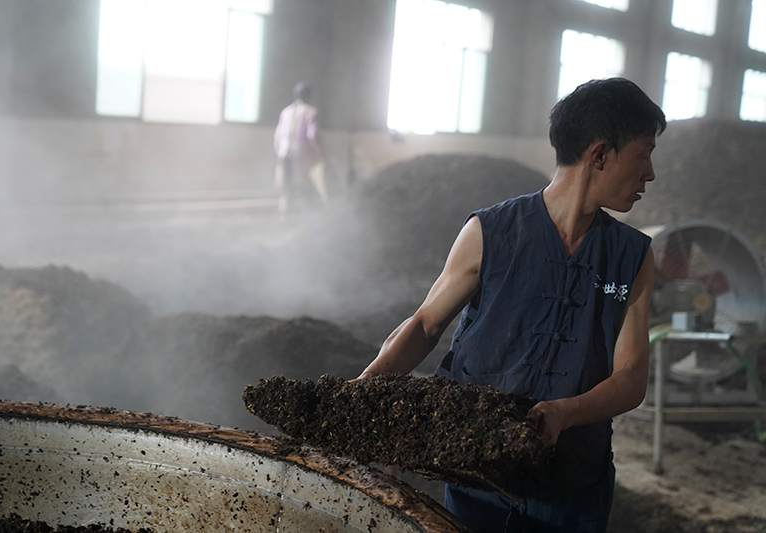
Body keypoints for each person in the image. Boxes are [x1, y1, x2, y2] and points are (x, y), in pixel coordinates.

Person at [353, 78, 666, 532]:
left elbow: (631, 379)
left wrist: (565, 413)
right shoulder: (490, 231)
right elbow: (424, 325)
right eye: (644, 154)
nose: (650, 173)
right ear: (600, 155)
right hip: (476, 476)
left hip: (573, 491)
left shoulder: (633, 256)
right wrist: (364, 387)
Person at [273, 81, 328, 213]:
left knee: (287, 185)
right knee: (304, 185)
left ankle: (285, 213)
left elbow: (277, 136)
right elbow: (312, 135)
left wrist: (279, 153)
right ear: (309, 96)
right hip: (301, 153)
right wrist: (320, 153)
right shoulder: (311, 112)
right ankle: (306, 216)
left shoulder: (285, 112)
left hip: (284, 151)